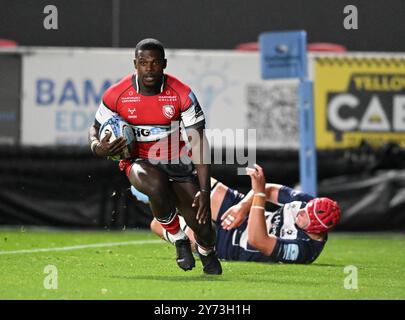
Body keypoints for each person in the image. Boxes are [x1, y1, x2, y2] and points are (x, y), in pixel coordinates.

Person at [88, 38, 221, 275]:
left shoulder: (182, 94)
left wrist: (205, 191)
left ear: (164, 64)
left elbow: (199, 144)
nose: (149, 68)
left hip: (177, 163)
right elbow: (95, 129)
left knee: (204, 227)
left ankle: (206, 250)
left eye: (155, 63)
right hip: (139, 163)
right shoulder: (116, 95)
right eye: (143, 63)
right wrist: (98, 147)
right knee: (155, 183)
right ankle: (178, 238)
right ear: (135, 64)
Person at [139, 164, 341, 264]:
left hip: (229, 243)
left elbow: (257, 239)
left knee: (158, 224)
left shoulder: (304, 250)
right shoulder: (307, 203)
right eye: (306, 207)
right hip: (244, 212)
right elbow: (269, 190)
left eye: (305, 215)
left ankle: (153, 196)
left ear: (314, 230)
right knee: (192, 178)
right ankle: (149, 185)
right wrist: (242, 207)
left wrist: (258, 194)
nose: (302, 210)